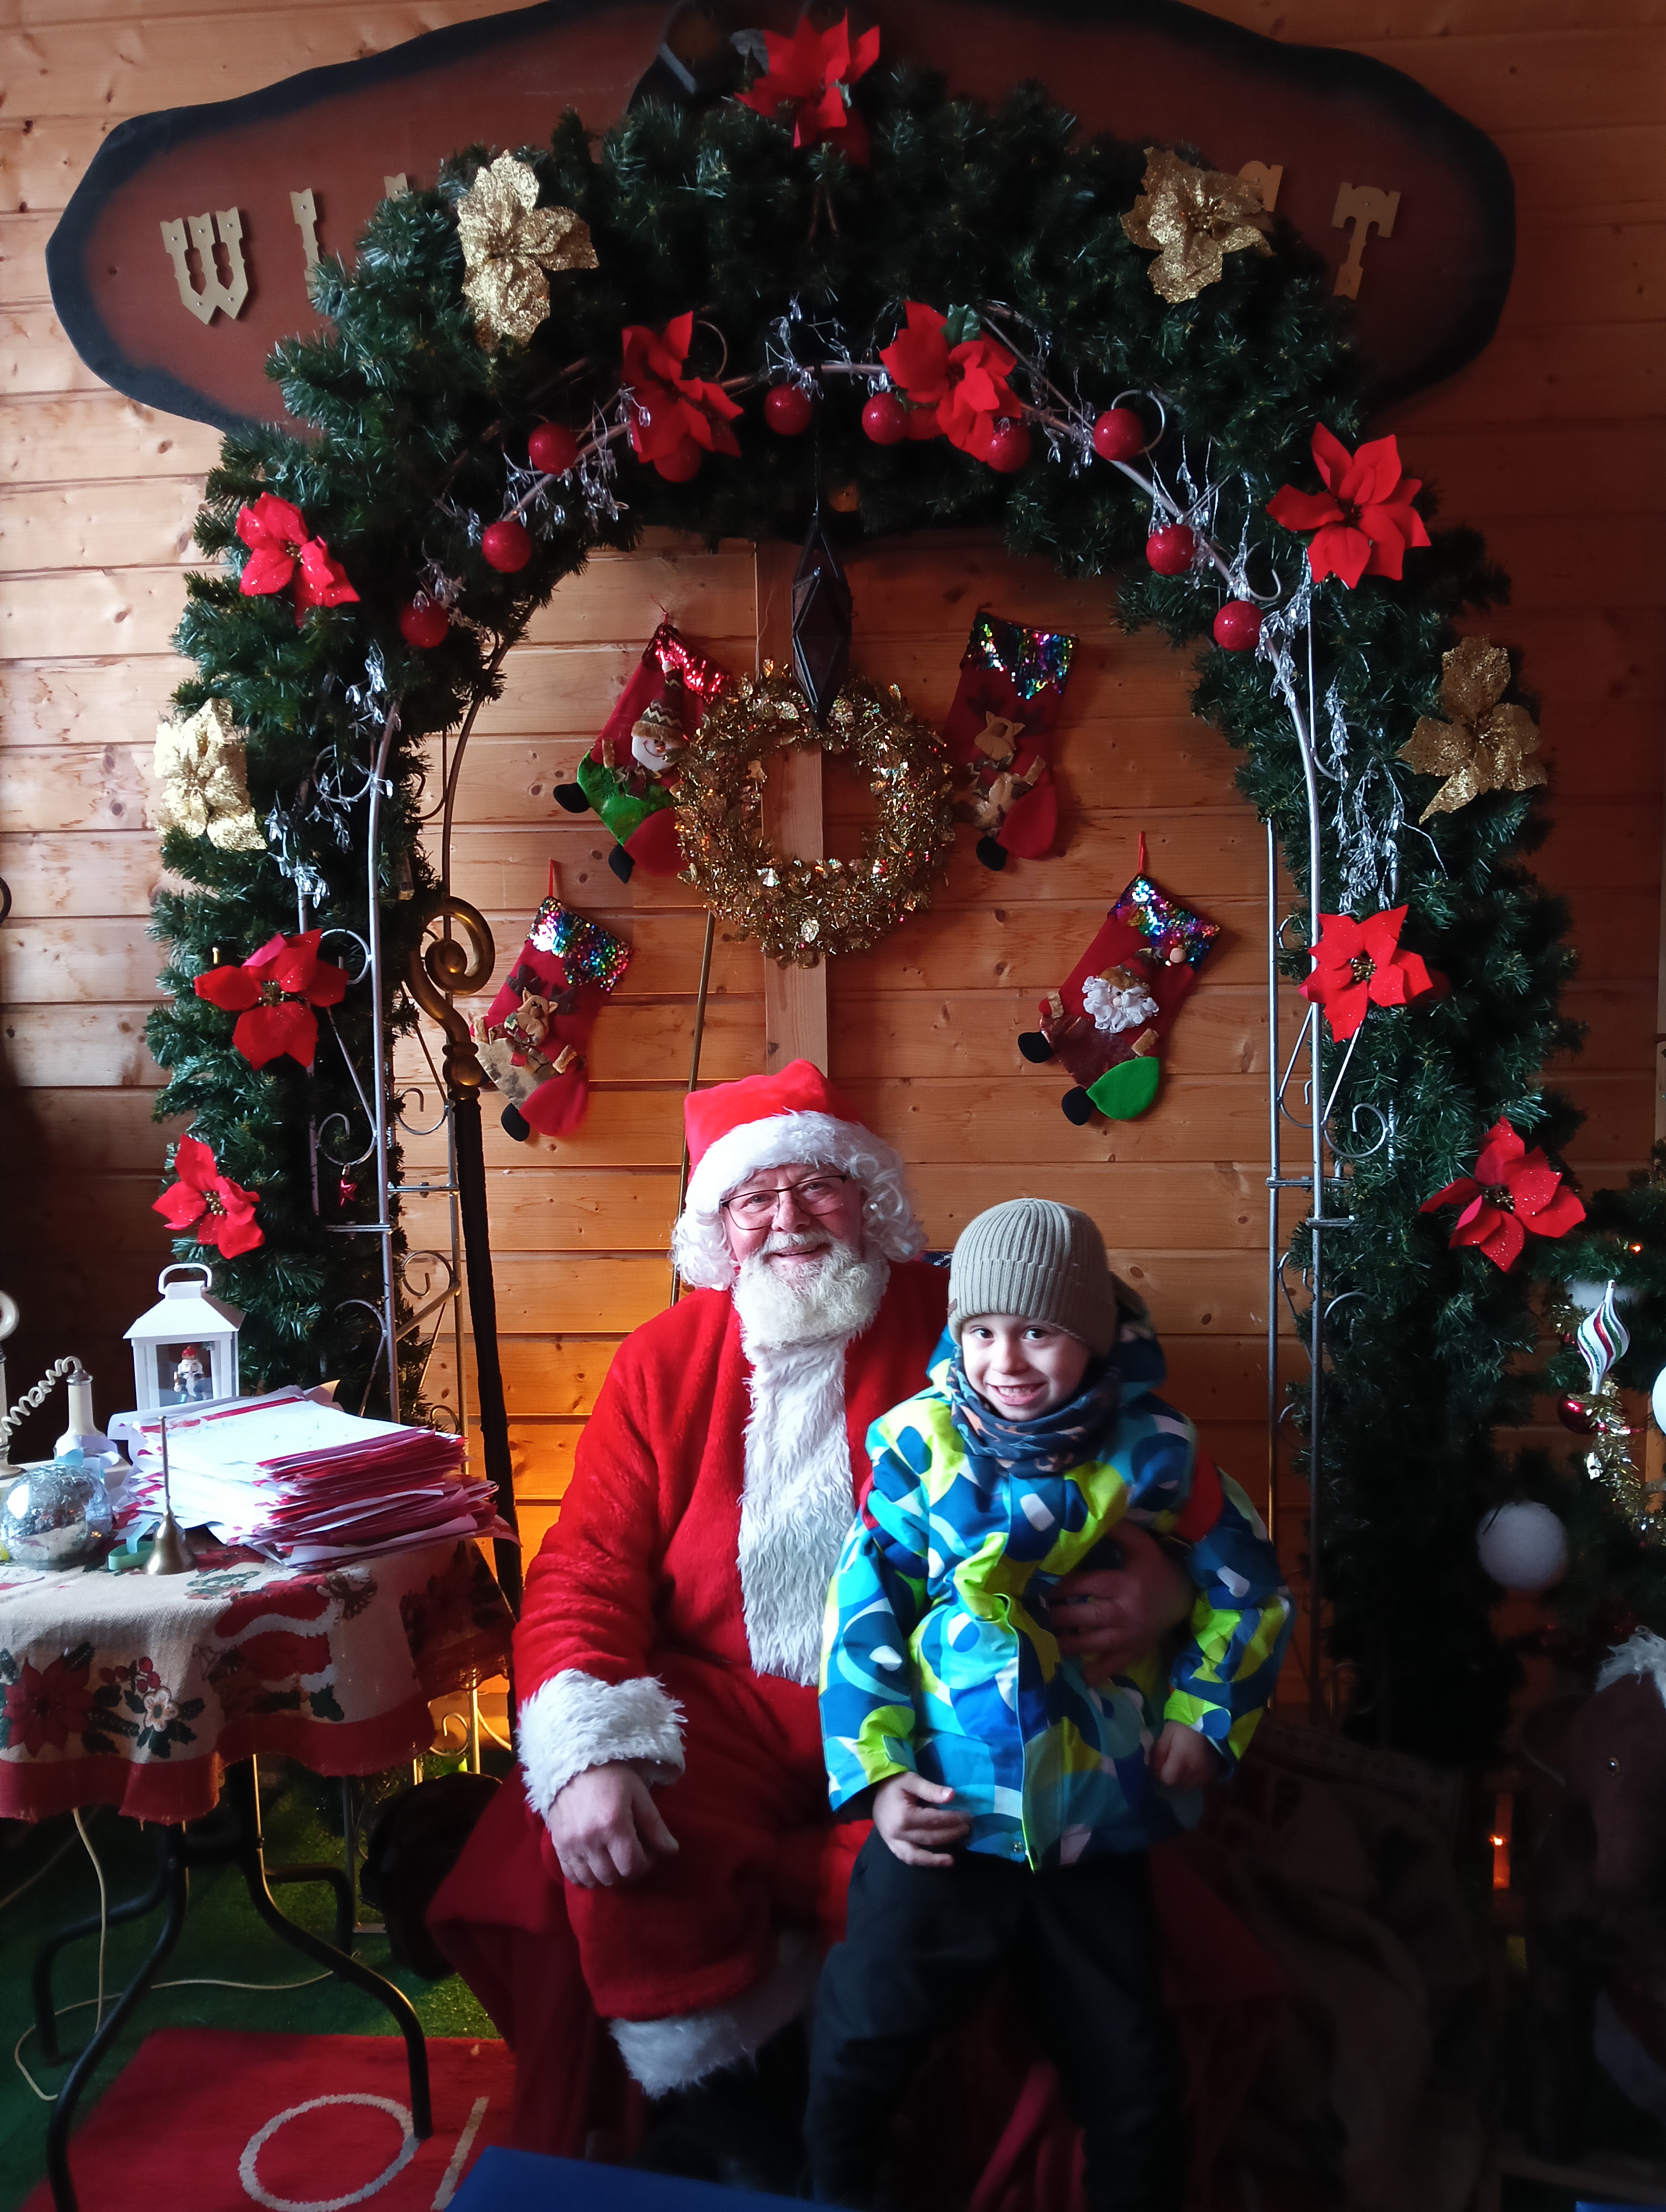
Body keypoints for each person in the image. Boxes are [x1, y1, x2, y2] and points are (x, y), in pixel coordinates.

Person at [429, 1063, 1195, 2170]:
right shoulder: (659, 1364)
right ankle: (729, 2113)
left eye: (818, 1186)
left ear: (867, 1200)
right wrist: (587, 1748)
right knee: (624, 1824)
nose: (787, 1220)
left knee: (980, 1850)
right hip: (728, 1707)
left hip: (931, 1699)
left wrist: (1166, 1586)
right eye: (754, 1198)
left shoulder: (967, 1328)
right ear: (719, 1227)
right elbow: (584, 1571)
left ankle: (875, 2122)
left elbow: (1119, 1449)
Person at [809, 1198, 1293, 2210]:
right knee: (860, 2036)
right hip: (947, 1812)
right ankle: (833, 2193)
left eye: (1039, 1332)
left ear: (1096, 1336)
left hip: (1097, 1818)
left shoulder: (1157, 1454)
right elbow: (861, 1617)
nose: (1007, 1361)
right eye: (983, 1332)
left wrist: (1202, 1718)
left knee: (1132, 2072)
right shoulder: (917, 1448)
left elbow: (1248, 1589)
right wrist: (881, 1775)